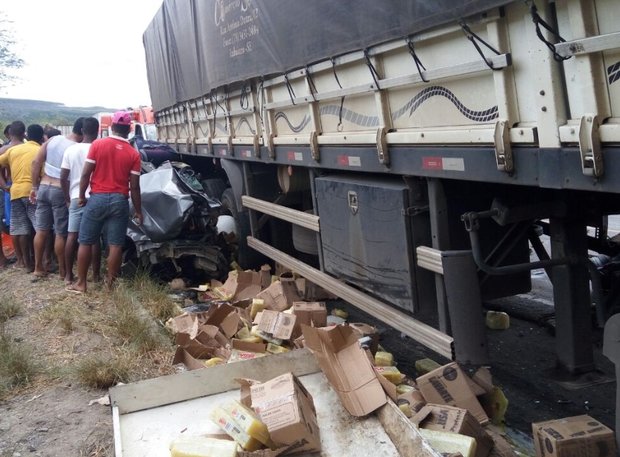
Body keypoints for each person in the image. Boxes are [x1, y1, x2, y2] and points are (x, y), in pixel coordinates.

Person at [67, 111, 142, 293]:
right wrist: (139, 211)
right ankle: (110, 285)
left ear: (112, 127)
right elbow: (135, 187)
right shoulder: (134, 154)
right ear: (129, 129)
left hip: (98, 198)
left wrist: (82, 196)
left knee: (85, 241)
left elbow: (86, 174)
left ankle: (82, 284)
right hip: (120, 200)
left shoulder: (98, 144)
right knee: (115, 244)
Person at [30, 118, 84, 279]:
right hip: (60, 191)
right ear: (83, 131)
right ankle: (62, 271)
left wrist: (34, 187)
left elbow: (36, 162)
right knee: (61, 233)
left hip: (44, 186)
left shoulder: (53, 139)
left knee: (41, 230)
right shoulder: (76, 148)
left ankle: (38, 268)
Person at [60, 117, 101, 285]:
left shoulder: (71, 150)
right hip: (96, 196)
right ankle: (96, 275)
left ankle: (69, 275)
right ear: (98, 131)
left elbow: (63, 177)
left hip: (76, 196)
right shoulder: (99, 149)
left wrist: (67, 198)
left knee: (72, 236)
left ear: (82, 131)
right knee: (95, 238)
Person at [0, 124, 44, 271]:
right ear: (23, 134)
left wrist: (4, 185)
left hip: (15, 192)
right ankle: (42, 261)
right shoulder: (40, 150)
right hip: (33, 192)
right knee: (40, 228)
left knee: (19, 228)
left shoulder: (11, 150)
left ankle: (25, 262)